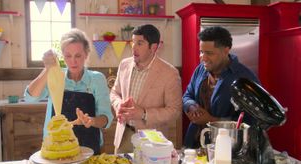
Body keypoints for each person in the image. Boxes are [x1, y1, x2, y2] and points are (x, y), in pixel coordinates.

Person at [24, 28, 113, 154]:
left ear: (86, 54)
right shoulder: (55, 77)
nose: (73, 61)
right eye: (68, 56)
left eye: (78, 55)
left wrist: (91, 121)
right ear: (62, 56)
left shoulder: (97, 79)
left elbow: (106, 119)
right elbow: (30, 98)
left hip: (89, 149)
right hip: (56, 149)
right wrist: (48, 69)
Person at [183, 26, 260, 149]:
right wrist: (192, 106)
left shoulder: (245, 78)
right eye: (201, 52)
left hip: (228, 148)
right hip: (194, 143)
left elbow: (253, 121)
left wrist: (213, 120)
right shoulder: (200, 69)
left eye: (209, 53)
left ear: (226, 50)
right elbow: (187, 94)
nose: (203, 57)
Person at [110, 24, 182, 154]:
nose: (133, 47)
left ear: (154, 47)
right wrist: (118, 105)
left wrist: (144, 114)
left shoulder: (170, 73)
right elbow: (115, 92)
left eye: (140, 43)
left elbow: (174, 111)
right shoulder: (124, 64)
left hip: (152, 142)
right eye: (133, 42)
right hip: (123, 136)